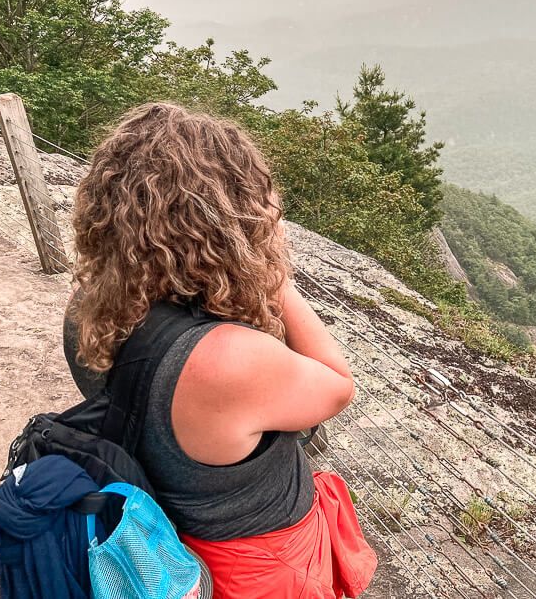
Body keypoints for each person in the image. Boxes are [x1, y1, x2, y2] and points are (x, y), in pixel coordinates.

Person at [62, 103, 377, 599]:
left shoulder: (93, 308)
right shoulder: (229, 359)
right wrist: (274, 275)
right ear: (226, 226)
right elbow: (337, 386)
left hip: (174, 535)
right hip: (256, 567)